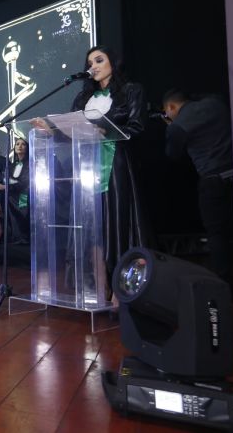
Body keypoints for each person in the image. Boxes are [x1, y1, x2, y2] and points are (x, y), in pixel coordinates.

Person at [67, 45, 149, 306]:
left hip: (116, 165)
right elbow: (71, 128)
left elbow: (137, 127)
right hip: (86, 168)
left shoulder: (131, 91)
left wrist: (107, 130)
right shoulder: (82, 100)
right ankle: (99, 285)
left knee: (116, 223)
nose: (93, 66)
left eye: (99, 60)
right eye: (90, 62)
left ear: (114, 61)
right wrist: (52, 129)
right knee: (93, 228)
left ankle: (120, 287)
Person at [163, 88, 233, 285]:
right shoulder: (216, 104)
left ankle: (225, 288)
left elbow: (173, 154)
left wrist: (170, 126)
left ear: (171, 107)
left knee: (217, 235)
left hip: (213, 182)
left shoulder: (177, 125)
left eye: (166, 112)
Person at [0, 138, 30, 244]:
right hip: (11, 191)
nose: (20, 146)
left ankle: (1, 230)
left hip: (23, 193)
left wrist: (4, 187)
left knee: (4, 197)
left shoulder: (30, 164)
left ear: (27, 148)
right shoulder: (11, 165)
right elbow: (6, 180)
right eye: (17, 144)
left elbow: (24, 184)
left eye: (23, 144)